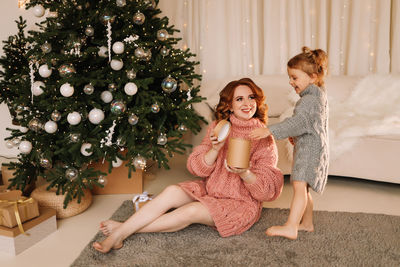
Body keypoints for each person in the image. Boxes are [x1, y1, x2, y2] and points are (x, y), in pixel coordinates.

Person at [93, 78, 284, 253]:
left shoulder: (263, 137)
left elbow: (266, 192)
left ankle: (121, 231)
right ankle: (123, 230)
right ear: (230, 106)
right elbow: (195, 167)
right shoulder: (219, 127)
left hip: (240, 204)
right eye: (239, 99)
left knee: (190, 212)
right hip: (211, 190)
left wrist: (245, 173)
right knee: (171, 191)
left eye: (251, 97)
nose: (247, 103)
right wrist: (215, 150)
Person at [250, 47, 329, 240]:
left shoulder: (310, 99)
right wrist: (298, 135)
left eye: (295, 78)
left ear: (312, 77)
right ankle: (307, 223)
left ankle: (291, 226)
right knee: (304, 188)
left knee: (299, 187)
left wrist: (270, 130)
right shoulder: (316, 96)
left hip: (309, 152)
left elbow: (299, 122)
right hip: (312, 147)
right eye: (290, 77)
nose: (291, 82)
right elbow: (311, 124)